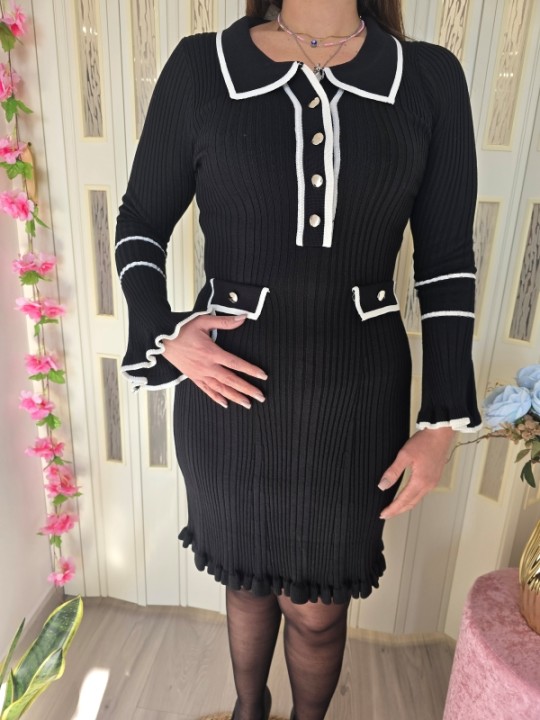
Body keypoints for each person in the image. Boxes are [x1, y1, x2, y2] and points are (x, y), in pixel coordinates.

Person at [114, 0, 483, 718]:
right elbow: (139, 224)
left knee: (317, 612)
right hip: (227, 392)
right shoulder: (202, 68)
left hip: (356, 402)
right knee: (246, 586)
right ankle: (247, 710)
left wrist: (442, 422)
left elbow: (445, 262)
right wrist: (164, 333)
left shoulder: (429, 79)